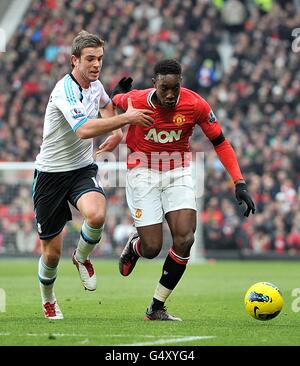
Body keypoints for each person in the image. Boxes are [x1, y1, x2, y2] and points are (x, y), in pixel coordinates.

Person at [109, 59, 255, 321]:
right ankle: (135, 247)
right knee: (152, 247)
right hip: (142, 171)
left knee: (186, 238)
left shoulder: (196, 104)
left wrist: (239, 181)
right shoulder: (137, 100)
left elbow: (220, 142)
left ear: (180, 84)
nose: (169, 94)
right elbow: (115, 100)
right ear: (154, 84)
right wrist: (116, 93)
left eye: (174, 88)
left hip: (178, 171)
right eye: (164, 88)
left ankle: (156, 307)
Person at [32, 30, 153, 319]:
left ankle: (81, 257)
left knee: (97, 215)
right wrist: (127, 119)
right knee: (51, 254)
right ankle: (48, 299)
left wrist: (116, 129)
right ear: (74, 60)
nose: (96, 64)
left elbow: (106, 104)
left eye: (99, 58)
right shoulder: (65, 90)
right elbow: (84, 129)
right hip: (50, 174)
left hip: (81, 169)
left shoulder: (95, 85)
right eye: (90, 59)